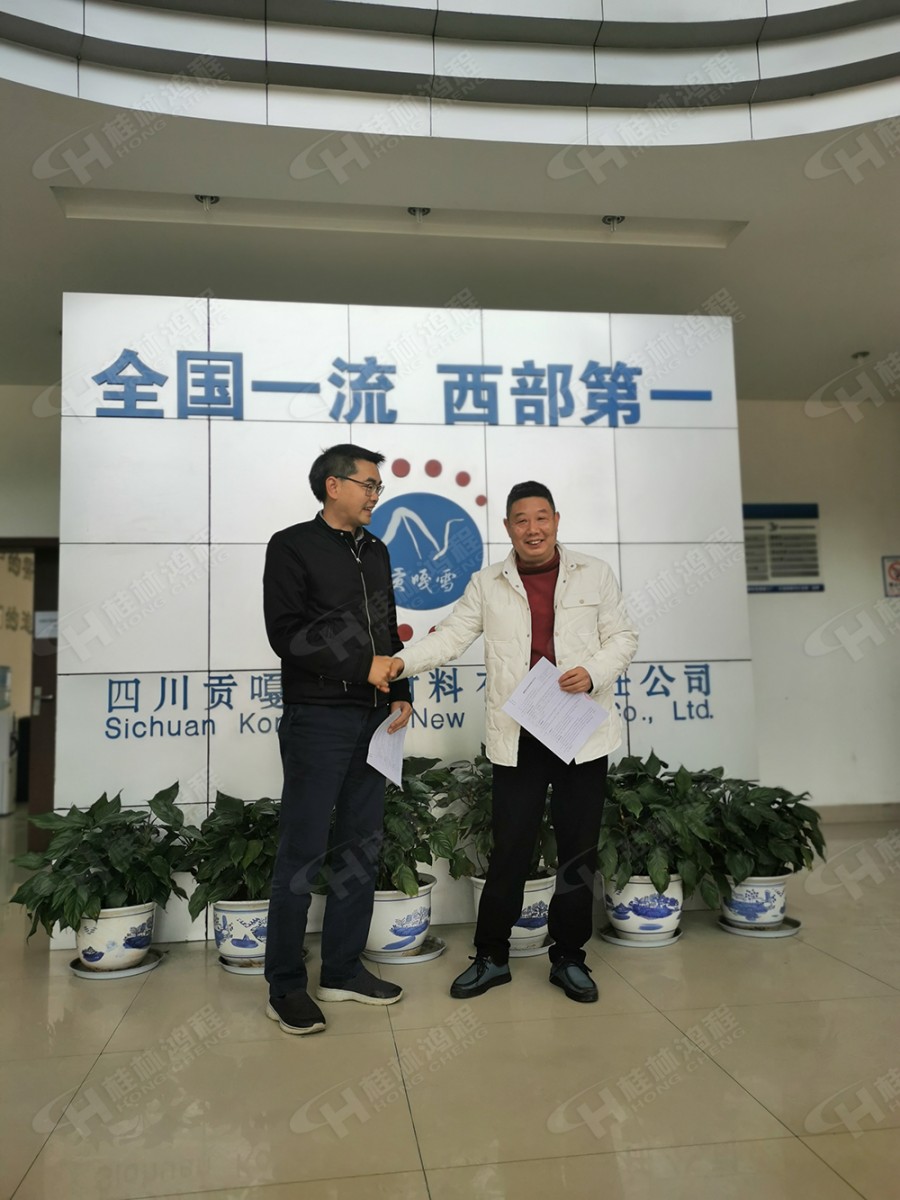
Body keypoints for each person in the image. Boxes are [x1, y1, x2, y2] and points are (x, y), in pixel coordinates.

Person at [388, 481, 637, 1003]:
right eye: (521, 520)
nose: (533, 529)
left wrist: (593, 672)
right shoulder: (487, 583)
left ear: (557, 521)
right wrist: (398, 664)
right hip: (519, 733)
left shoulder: (594, 572)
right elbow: (450, 637)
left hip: (579, 730)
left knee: (577, 851)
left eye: (541, 517)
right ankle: (491, 957)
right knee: (509, 851)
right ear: (507, 527)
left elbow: (622, 637)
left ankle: (569, 958)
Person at [262, 443, 413, 1035]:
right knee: (301, 853)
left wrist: (401, 690)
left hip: (374, 717)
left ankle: (343, 970)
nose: (376, 495)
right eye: (368, 485)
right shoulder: (291, 545)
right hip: (318, 717)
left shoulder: (376, 550)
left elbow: (388, 627)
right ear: (333, 486)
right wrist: (359, 667)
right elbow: (286, 635)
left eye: (378, 486)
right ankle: (285, 986)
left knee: (360, 848)